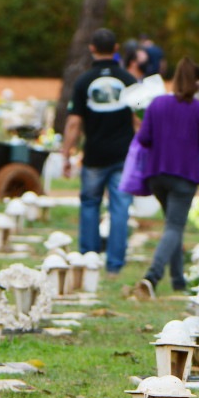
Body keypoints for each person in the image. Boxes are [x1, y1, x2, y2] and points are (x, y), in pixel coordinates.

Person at [134, 58, 199, 298]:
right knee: (174, 225)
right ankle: (152, 276)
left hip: (157, 174)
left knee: (173, 224)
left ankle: (178, 280)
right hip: (184, 174)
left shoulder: (157, 104)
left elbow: (143, 139)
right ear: (197, 82)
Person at [61, 28, 137, 276]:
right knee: (120, 209)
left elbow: (74, 123)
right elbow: (140, 120)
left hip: (94, 155)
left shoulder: (84, 81)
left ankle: (88, 258)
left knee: (90, 205)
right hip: (123, 155)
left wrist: (66, 153)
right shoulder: (128, 80)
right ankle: (115, 264)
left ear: (91, 48)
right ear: (116, 49)